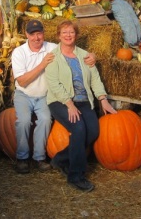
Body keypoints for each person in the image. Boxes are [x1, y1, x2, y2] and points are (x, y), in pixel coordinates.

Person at [11, 19, 96, 174]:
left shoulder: (51, 47)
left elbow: (71, 49)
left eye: (39, 33)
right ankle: (22, 158)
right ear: (26, 35)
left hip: (44, 95)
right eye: (32, 34)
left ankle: (39, 158)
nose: (36, 38)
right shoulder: (19, 53)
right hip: (24, 94)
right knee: (23, 121)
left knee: (44, 120)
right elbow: (22, 81)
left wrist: (92, 56)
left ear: (44, 33)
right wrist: (43, 64)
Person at [45, 20, 117, 192]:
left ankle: (61, 158)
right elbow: (53, 84)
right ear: (58, 36)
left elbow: (94, 79)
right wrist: (69, 104)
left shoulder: (85, 55)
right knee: (78, 128)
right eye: (64, 32)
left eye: (71, 32)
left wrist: (103, 99)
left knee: (92, 131)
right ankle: (76, 176)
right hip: (60, 101)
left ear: (76, 35)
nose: (68, 35)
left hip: (84, 101)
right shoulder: (52, 57)